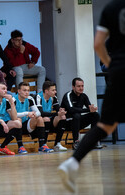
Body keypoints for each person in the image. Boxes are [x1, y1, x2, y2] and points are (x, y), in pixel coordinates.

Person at [59, 0, 125, 192]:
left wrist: (112, 66)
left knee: (107, 123)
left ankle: (71, 164)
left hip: (118, 70)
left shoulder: (111, 8)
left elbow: (97, 44)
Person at [60, 77, 100, 150]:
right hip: (67, 122)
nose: (81, 88)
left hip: (77, 122)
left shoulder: (83, 96)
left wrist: (92, 109)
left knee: (95, 115)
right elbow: (71, 110)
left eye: (82, 86)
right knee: (76, 115)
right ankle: (76, 142)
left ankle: (93, 141)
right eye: (78, 86)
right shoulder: (68, 95)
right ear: (73, 87)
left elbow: (90, 109)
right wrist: (88, 110)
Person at [15, 82, 53, 153]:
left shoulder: (30, 98)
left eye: (28, 90)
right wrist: (27, 113)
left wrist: (33, 114)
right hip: (14, 126)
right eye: (24, 90)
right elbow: (13, 115)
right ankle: (20, 147)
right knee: (18, 120)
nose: (27, 92)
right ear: (19, 91)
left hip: (26, 125)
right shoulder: (13, 99)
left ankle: (42, 145)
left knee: (40, 118)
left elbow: (38, 112)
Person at [36, 81, 67, 152]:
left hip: (50, 121)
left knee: (63, 117)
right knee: (46, 119)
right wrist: (56, 114)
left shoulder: (53, 97)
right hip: (39, 122)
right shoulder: (38, 97)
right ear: (46, 91)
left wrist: (61, 111)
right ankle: (43, 144)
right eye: (53, 90)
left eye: (55, 90)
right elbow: (41, 113)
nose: (55, 92)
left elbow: (57, 109)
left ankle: (57, 144)